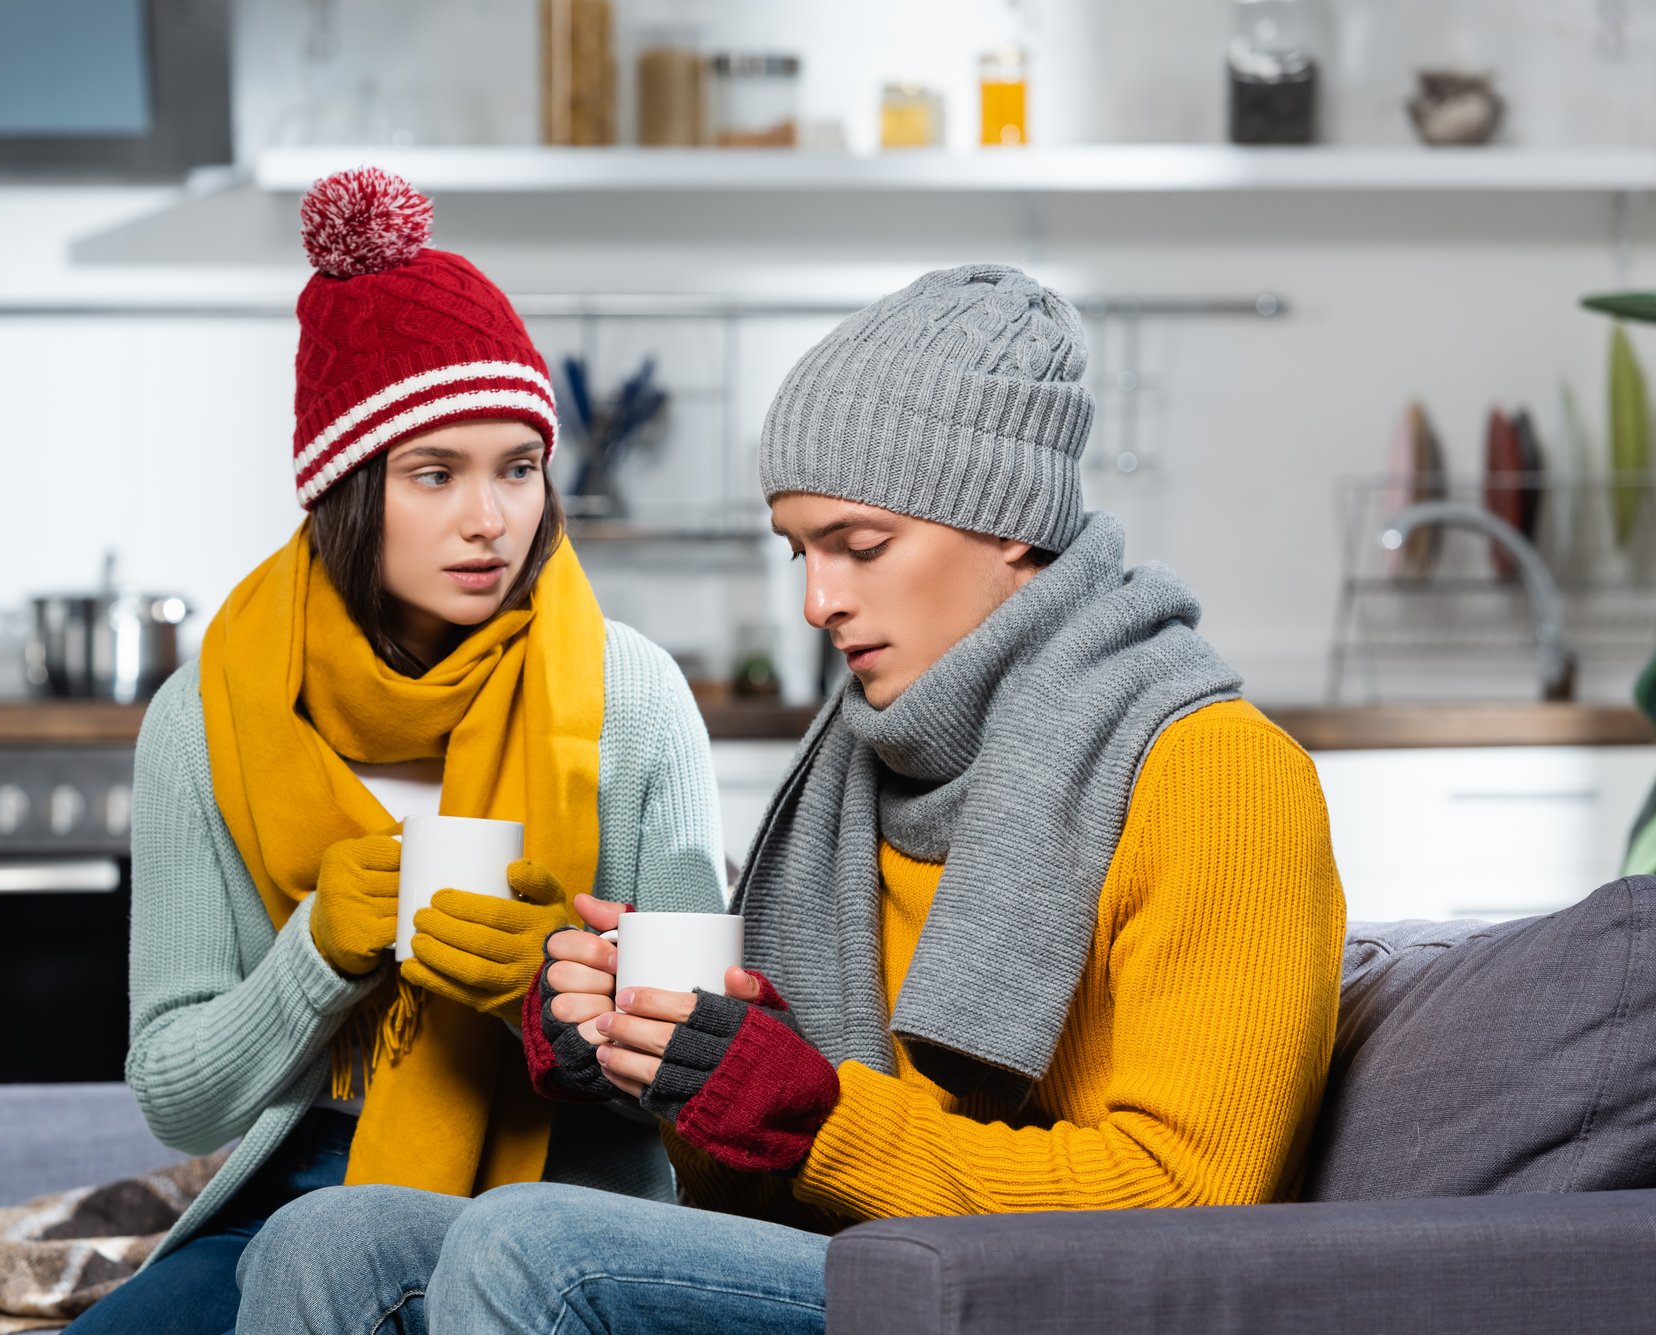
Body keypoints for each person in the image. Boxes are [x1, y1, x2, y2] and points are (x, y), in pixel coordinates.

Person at [240, 263, 1347, 1335]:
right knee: (329, 1239)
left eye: (858, 547)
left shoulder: (1217, 777)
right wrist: (654, 1053)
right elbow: (754, 1188)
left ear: (1009, 522)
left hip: (1041, 1295)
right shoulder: (863, 764)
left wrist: (808, 1109)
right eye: (798, 553)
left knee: (532, 1243)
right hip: (862, 1259)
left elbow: (1188, 1209)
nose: (819, 601)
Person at [65, 167, 726, 1335]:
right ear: (347, 490)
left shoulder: (633, 697)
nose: (491, 519)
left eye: (518, 467)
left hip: (565, 1201)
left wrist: (557, 997)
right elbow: (175, 1092)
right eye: (436, 474)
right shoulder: (206, 714)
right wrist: (318, 952)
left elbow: (699, 1080)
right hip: (293, 1188)